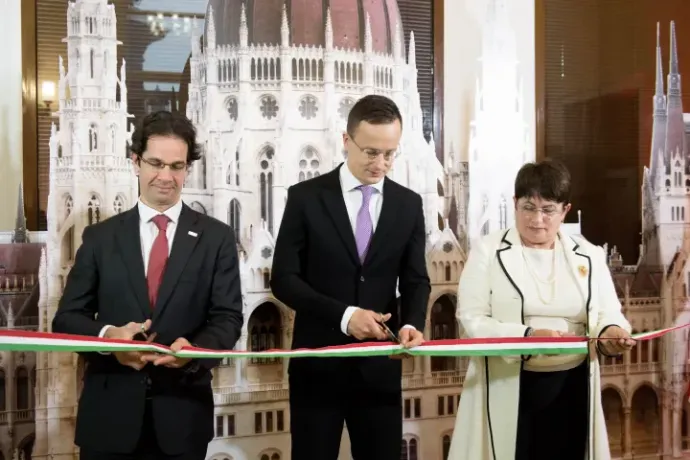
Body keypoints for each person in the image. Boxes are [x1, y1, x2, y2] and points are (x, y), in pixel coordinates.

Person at [52, 111, 244, 460]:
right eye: (156, 163)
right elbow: (66, 319)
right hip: (108, 421)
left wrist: (194, 352)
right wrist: (110, 338)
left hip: (182, 419)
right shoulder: (100, 238)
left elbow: (228, 318)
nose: (166, 176)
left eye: (177, 166)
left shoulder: (216, 238)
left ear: (188, 169)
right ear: (136, 162)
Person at [270, 94, 430, 460]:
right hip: (317, 367)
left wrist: (413, 323)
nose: (381, 163)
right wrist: (345, 317)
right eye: (371, 152)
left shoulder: (408, 204)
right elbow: (284, 279)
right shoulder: (305, 198)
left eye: (390, 153)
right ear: (346, 141)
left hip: (379, 371)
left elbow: (416, 279)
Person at [448, 159, 635, 460]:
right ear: (514, 204)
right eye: (528, 207)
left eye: (548, 209)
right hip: (509, 383)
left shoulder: (589, 254)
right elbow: (471, 320)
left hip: (573, 386)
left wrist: (612, 331)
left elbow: (607, 313)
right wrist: (531, 337)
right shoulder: (487, 251)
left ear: (565, 210)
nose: (537, 219)